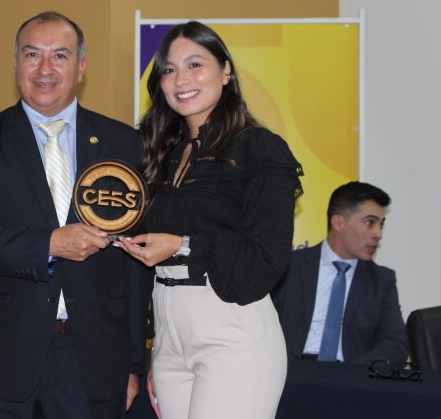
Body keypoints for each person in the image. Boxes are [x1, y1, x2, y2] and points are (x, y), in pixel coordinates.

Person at [0, 11, 149, 419]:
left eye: (60, 56)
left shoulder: (123, 143)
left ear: (81, 67)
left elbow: (134, 263)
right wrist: (48, 244)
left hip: (92, 366)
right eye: (32, 54)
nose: (45, 69)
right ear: (15, 62)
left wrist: (133, 363)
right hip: (1, 362)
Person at [115, 21, 303, 419]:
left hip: (232, 328)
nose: (181, 79)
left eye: (195, 64)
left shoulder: (259, 148)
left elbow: (268, 257)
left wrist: (182, 244)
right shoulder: (160, 153)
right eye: (169, 69)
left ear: (226, 71)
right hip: (169, 334)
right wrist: (157, 345)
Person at [272, 181, 409, 365]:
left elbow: (395, 343)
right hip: (289, 370)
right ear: (338, 222)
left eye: (381, 224)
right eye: (370, 223)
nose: (378, 234)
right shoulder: (289, 266)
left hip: (350, 374)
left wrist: (353, 372)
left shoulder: (382, 281)